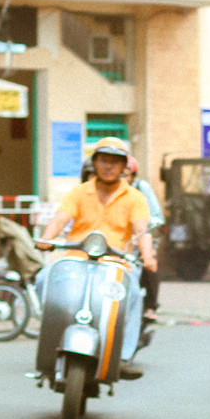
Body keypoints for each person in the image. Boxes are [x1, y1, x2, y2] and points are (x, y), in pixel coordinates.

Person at [37, 137, 157, 377]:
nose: (109, 166)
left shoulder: (135, 197)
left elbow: (141, 230)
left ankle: (123, 357)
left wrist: (147, 255)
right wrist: (46, 238)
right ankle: (55, 333)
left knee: (133, 294)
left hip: (115, 265)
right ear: (94, 163)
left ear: (124, 166)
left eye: (115, 161)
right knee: (43, 278)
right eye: (103, 160)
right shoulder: (79, 192)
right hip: (76, 261)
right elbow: (60, 219)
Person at [124, 154, 164, 322]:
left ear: (133, 176)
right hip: (120, 239)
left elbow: (156, 216)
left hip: (142, 235)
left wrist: (142, 226)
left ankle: (151, 305)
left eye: (126, 174)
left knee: (149, 263)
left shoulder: (141, 188)